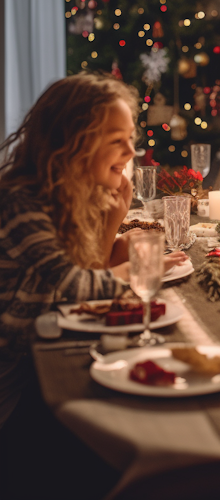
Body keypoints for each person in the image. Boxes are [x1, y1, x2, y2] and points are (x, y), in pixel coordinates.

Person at [0, 74, 186, 428]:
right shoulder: (21, 203)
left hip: (33, 356)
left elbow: (90, 265)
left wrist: (115, 219)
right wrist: (142, 270)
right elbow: (75, 287)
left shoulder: (73, 190)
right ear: (73, 145)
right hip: (10, 373)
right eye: (117, 141)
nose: (132, 153)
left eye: (130, 137)